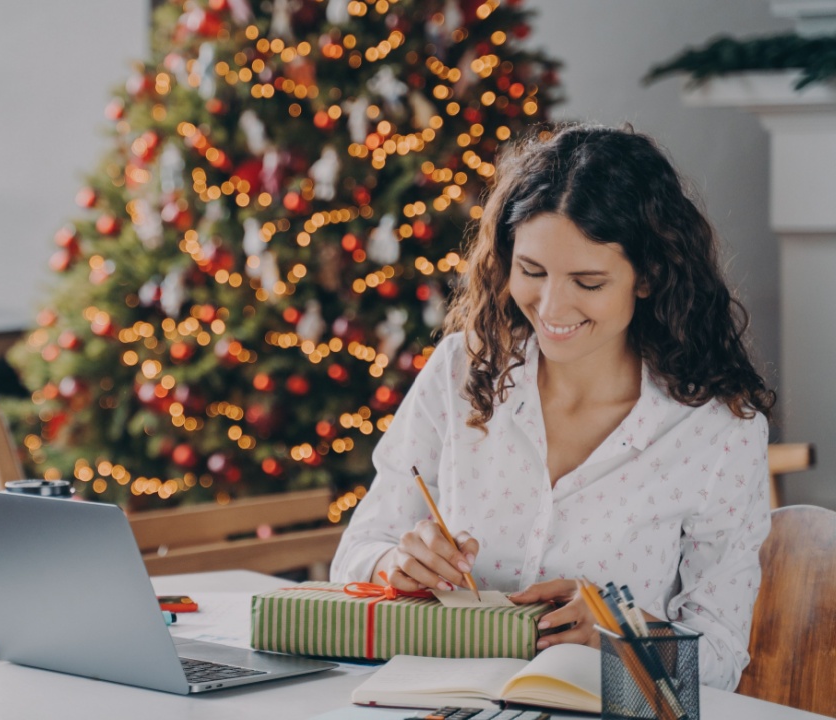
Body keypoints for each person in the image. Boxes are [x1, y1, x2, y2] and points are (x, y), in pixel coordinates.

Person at [330, 123, 775, 691]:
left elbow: (719, 661)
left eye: (588, 282)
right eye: (532, 272)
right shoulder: (461, 370)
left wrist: (625, 636)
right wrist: (394, 564)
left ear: (649, 277)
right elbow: (355, 555)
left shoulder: (717, 433)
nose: (551, 306)